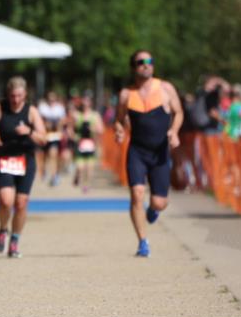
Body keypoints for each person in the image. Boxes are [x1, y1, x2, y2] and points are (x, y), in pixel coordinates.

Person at [113, 49, 184, 258]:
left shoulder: (165, 88)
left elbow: (179, 112)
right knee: (136, 194)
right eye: (140, 62)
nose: (146, 65)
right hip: (137, 151)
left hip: (160, 151)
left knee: (159, 202)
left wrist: (174, 131)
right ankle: (142, 242)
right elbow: (118, 119)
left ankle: (154, 210)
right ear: (134, 67)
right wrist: (118, 130)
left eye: (149, 61)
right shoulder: (126, 94)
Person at [0, 76, 48, 258]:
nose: (16, 100)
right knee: (5, 201)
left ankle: (15, 240)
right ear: (8, 95)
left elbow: (43, 138)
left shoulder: (31, 112)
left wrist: (29, 132)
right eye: (12, 96)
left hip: (26, 160)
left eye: (19, 96)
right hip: (5, 158)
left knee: (21, 203)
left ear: (25, 94)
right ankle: (3, 229)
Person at [70, 94, 103, 194]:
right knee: (80, 167)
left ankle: (86, 185)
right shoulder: (76, 115)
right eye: (84, 101)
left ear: (90, 103)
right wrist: (74, 136)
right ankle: (77, 175)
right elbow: (69, 127)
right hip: (80, 143)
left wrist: (93, 129)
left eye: (87, 101)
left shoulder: (95, 115)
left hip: (91, 143)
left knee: (89, 168)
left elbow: (101, 129)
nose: (85, 104)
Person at [37, 90, 67, 185]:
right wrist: (45, 125)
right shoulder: (42, 107)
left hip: (55, 136)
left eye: (53, 99)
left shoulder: (60, 108)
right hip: (44, 135)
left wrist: (59, 126)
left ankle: (54, 176)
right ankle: (44, 170)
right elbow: (38, 120)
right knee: (44, 156)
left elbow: (63, 121)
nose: (51, 101)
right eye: (50, 99)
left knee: (53, 155)